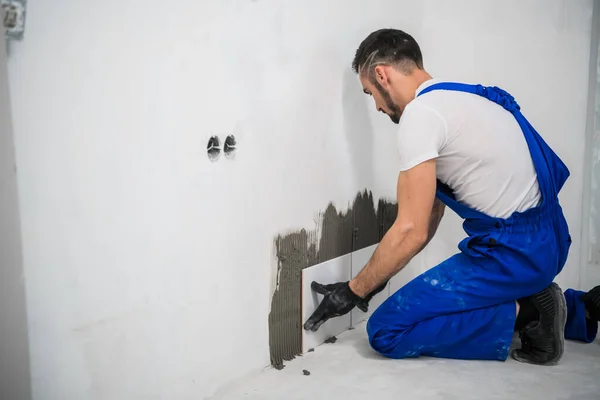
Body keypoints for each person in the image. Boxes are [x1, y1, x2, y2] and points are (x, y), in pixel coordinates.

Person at [303, 28, 599, 365]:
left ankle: (530, 311)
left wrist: (351, 291)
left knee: (387, 331)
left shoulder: (420, 117)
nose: (377, 107)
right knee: (437, 304)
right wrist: (372, 281)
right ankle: (581, 310)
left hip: (515, 255)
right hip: (552, 240)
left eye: (370, 92)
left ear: (382, 74)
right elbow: (430, 214)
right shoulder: (462, 99)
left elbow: (410, 231)